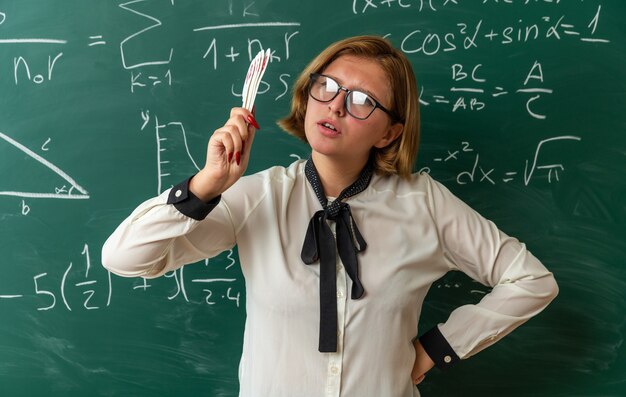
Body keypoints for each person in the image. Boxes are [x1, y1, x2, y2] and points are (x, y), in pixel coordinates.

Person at [102, 35, 558, 396]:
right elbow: (123, 259)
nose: (337, 105)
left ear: (389, 132)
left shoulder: (424, 204)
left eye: (363, 101)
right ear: (308, 95)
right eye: (328, 87)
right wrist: (206, 185)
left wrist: (436, 349)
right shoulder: (261, 196)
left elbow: (532, 281)